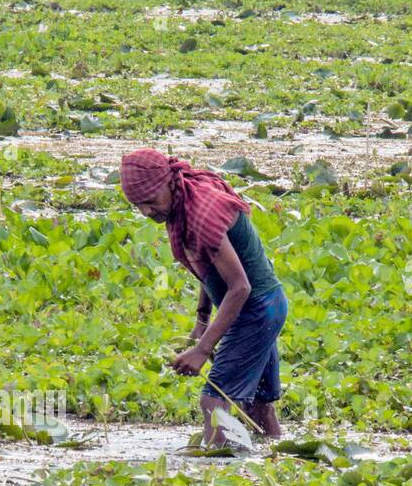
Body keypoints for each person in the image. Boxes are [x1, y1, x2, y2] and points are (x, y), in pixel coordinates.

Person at [120, 149, 287, 442]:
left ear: (168, 182)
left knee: (213, 401)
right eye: (138, 206)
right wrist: (202, 318)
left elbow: (240, 287)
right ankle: (277, 461)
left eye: (150, 201)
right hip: (262, 308)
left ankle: (217, 472)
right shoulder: (182, 200)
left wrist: (203, 349)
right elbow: (209, 267)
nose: (146, 212)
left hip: (256, 310)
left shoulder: (201, 213)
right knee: (258, 405)